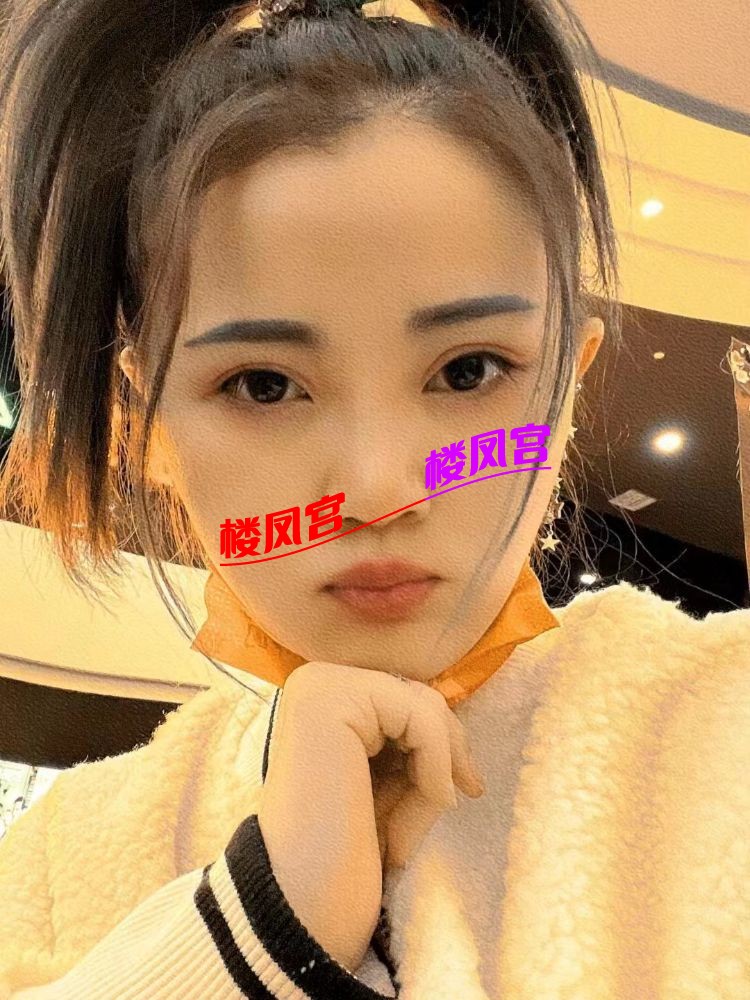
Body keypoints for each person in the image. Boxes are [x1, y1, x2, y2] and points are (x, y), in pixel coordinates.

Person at [0, 0, 748, 996]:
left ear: (566, 388)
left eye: (470, 370)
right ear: (150, 424)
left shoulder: (727, 730)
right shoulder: (54, 871)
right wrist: (253, 929)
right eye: (264, 385)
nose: (380, 490)